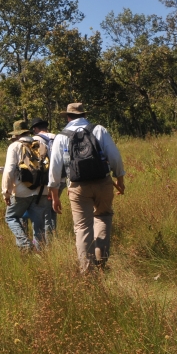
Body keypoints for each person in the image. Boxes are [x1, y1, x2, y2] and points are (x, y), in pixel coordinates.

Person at [48, 103, 126, 272]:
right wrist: (119, 178)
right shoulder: (99, 130)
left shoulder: (61, 137)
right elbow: (114, 156)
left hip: (77, 187)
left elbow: (54, 168)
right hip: (103, 182)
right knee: (103, 217)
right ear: (84, 114)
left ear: (68, 117)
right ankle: (101, 262)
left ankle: (88, 272)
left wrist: (54, 195)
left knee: (82, 227)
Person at [1, 120, 52, 251]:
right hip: (42, 190)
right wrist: (51, 189)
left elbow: (8, 171)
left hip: (21, 191)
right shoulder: (40, 144)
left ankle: (25, 244)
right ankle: (40, 253)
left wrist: (6, 192)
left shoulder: (14, 146)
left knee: (11, 217)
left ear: (16, 134)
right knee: (39, 224)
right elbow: (50, 168)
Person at [29, 118, 58, 234]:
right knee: (53, 208)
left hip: (44, 179)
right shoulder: (57, 137)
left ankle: (46, 239)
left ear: (35, 128)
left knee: (44, 210)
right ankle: (52, 234)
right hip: (59, 178)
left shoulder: (34, 139)